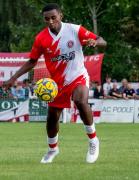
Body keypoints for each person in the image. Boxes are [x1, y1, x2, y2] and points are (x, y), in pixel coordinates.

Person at [4, 3, 107, 164]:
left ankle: (93, 140)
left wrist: (96, 42)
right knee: (52, 117)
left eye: (54, 17)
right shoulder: (41, 39)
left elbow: (102, 41)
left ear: (60, 16)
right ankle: (53, 149)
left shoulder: (75, 30)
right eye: (47, 19)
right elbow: (32, 61)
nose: (51, 21)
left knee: (80, 100)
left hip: (78, 76)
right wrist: (12, 79)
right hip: (57, 83)